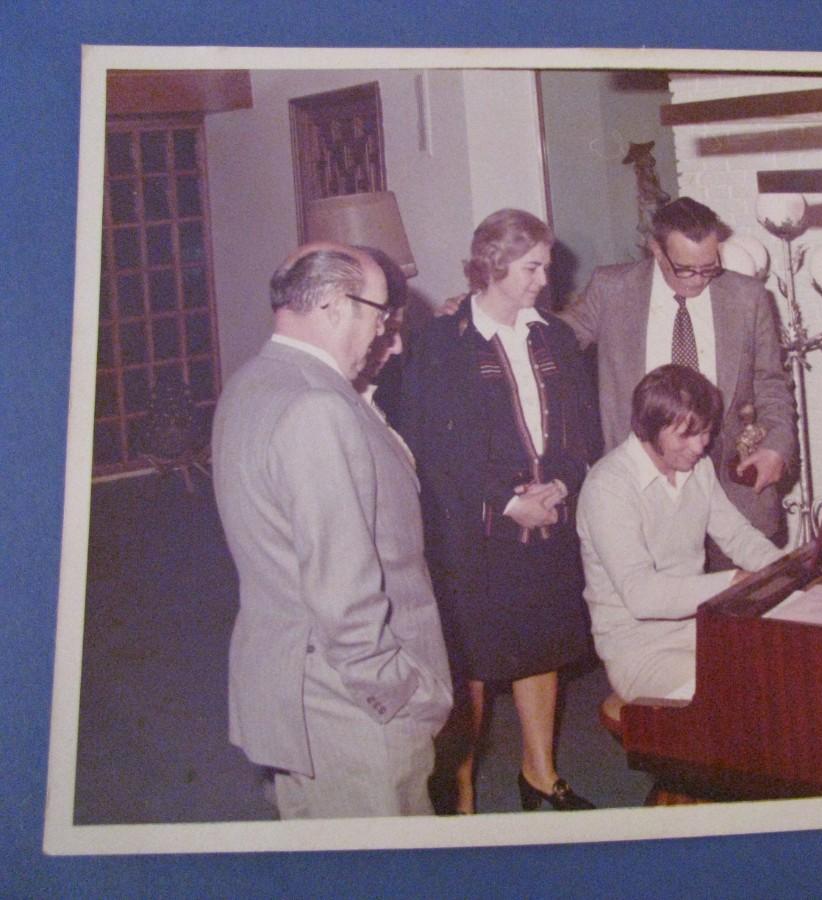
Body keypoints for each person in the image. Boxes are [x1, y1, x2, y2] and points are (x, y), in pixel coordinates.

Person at [211, 242, 453, 819]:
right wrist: (399, 693)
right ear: (337, 306)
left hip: (292, 683)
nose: (384, 335)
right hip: (351, 708)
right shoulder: (317, 408)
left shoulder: (250, 383)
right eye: (379, 316)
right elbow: (344, 594)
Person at [376, 209, 596, 813]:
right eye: (532, 268)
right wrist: (507, 502)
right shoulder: (442, 342)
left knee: (542, 646)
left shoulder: (555, 337)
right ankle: (462, 794)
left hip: (549, 518)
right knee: (471, 663)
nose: (544, 281)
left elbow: (583, 427)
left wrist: (561, 485)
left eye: (545, 267)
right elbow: (429, 444)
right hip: (472, 532)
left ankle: (540, 773)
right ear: (493, 266)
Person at [559, 196, 796, 546]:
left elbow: (772, 384)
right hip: (645, 491)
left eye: (709, 267)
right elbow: (550, 342)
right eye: (686, 269)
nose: (699, 279)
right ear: (656, 250)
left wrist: (778, 446)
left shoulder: (748, 297)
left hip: (733, 488)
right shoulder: (612, 289)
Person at [576, 364, 787, 706]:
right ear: (649, 429)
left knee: (788, 664)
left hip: (700, 629)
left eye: (705, 432)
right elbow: (642, 595)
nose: (700, 446)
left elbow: (737, 536)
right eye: (686, 435)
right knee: (745, 691)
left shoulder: (697, 468)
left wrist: (786, 569)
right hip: (639, 651)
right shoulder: (608, 487)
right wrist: (732, 582)